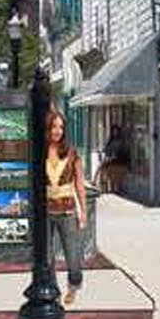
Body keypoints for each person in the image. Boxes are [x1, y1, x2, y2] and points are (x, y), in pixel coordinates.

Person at [45, 108, 88, 306]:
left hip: (67, 212)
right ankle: (53, 291)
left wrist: (83, 211)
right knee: (47, 258)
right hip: (46, 212)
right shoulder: (40, 152)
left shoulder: (72, 153)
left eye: (61, 127)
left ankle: (73, 286)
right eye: (54, 127)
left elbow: (79, 184)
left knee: (72, 257)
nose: (57, 131)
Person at [100, 123, 130, 193]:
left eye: (116, 131)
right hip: (111, 160)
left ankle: (116, 188)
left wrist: (114, 156)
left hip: (119, 161)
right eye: (113, 131)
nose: (114, 133)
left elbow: (124, 152)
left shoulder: (121, 141)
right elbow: (106, 150)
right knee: (104, 168)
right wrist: (107, 156)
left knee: (114, 171)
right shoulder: (110, 141)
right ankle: (108, 187)